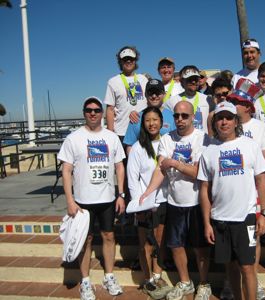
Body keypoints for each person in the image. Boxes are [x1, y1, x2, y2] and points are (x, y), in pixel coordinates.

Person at [139, 101, 211, 300]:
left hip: (197, 202)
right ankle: (186, 281)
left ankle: (204, 283)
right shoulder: (167, 139)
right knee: (176, 245)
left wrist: (176, 164)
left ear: (192, 116)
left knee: (200, 247)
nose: (180, 119)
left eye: (184, 116)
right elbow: (160, 169)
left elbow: (198, 172)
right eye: (177, 116)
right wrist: (148, 192)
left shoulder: (201, 138)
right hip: (175, 202)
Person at [198, 101, 265, 300]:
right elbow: (204, 190)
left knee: (247, 267)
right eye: (220, 118)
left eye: (228, 117)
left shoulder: (250, 146)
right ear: (214, 123)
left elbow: (261, 180)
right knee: (230, 266)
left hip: (245, 217)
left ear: (236, 121)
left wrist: (263, 214)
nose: (224, 122)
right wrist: (207, 223)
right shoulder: (208, 152)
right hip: (220, 219)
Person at [58, 97, 125, 300]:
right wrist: (70, 200)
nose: (93, 113)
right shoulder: (73, 138)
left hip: (106, 198)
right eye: (89, 110)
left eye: (97, 110)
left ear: (102, 113)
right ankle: (85, 281)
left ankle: (109, 276)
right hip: (82, 201)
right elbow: (67, 170)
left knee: (109, 236)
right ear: (84, 112)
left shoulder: (111, 137)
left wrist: (120, 194)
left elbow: (119, 166)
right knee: (85, 240)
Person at [227, 78, 265, 300]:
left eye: (236, 101)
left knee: (252, 238)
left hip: (254, 194)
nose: (232, 104)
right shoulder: (225, 124)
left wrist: (264, 207)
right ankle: (232, 282)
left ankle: (253, 281)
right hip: (230, 194)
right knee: (230, 241)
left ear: (248, 106)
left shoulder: (261, 128)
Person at [127, 106, 172, 299]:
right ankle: (147, 280)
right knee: (146, 243)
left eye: (155, 119)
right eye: (147, 120)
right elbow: (132, 178)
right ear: (143, 124)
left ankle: (157, 275)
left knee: (160, 242)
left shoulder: (168, 143)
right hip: (146, 203)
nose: (152, 123)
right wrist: (139, 204)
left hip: (164, 200)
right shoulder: (138, 148)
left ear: (162, 122)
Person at [104, 46, 148, 142]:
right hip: (121, 132)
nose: (128, 61)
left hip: (142, 131)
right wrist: (110, 134)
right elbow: (110, 109)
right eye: (125, 59)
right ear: (120, 62)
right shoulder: (113, 81)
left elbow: (150, 103)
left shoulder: (143, 79)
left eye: (131, 59)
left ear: (135, 60)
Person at [123, 79, 176, 154]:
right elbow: (130, 145)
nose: (154, 96)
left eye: (158, 93)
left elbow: (178, 143)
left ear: (164, 94)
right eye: (151, 93)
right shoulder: (136, 117)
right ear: (145, 94)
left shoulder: (173, 117)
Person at [165, 65, 210, 133]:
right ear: (182, 81)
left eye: (196, 79)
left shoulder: (208, 99)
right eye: (190, 79)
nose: (194, 82)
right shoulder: (171, 102)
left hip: (202, 142)